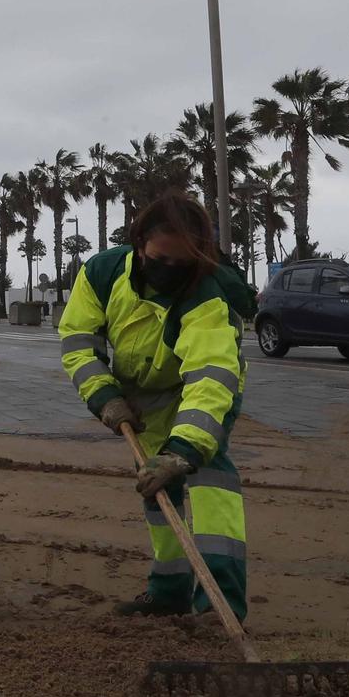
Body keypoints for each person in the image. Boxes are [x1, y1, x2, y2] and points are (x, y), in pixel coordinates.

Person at [57, 190, 258, 619]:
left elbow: (210, 376)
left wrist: (185, 451)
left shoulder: (206, 294)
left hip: (200, 392)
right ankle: (168, 590)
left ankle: (220, 605)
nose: (167, 272)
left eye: (180, 264)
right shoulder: (102, 273)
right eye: (158, 259)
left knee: (208, 479)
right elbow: (79, 343)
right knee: (156, 486)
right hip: (141, 399)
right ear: (140, 243)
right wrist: (105, 398)